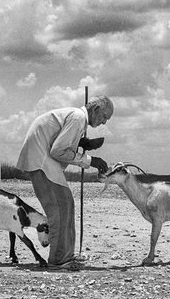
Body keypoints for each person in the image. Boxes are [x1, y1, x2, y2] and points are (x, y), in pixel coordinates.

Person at [16, 95, 113, 269]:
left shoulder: (77, 118)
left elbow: (59, 141)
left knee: (65, 204)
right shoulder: (78, 118)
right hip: (42, 161)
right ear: (95, 109)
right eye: (104, 117)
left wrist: (81, 143)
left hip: (42, 159)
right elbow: (58, 151)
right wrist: (91, 160)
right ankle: (59, 259)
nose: (104, 122)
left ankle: (65, 255)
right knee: (60, 208)